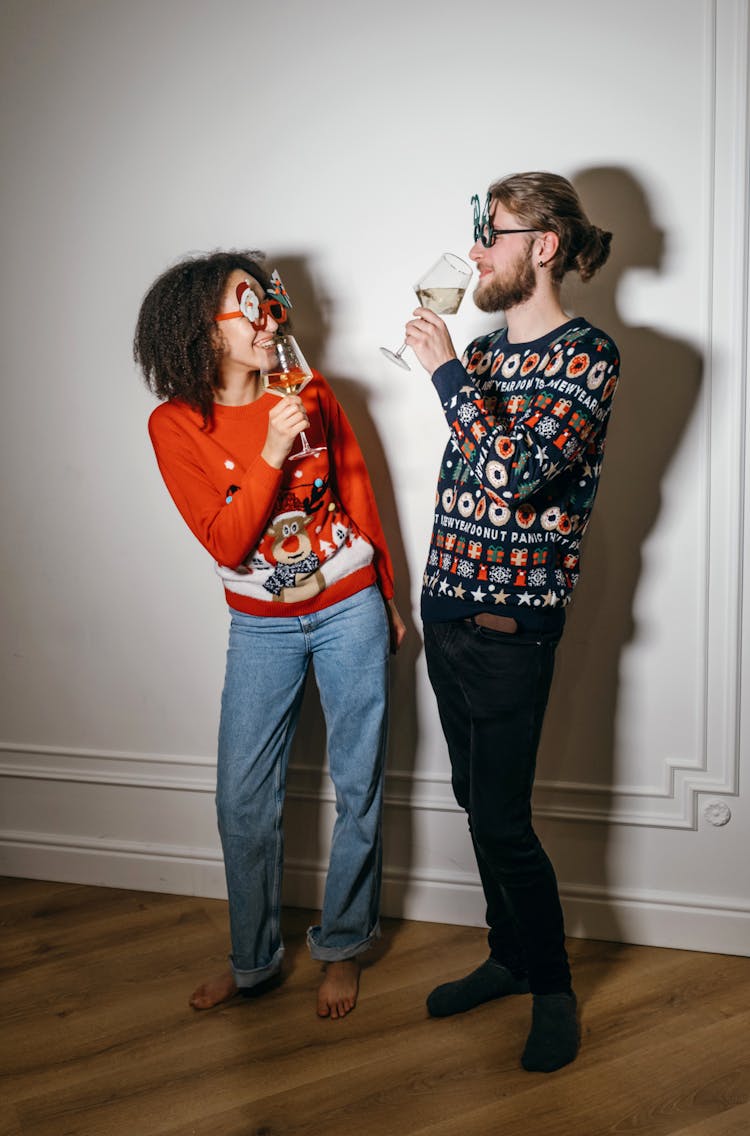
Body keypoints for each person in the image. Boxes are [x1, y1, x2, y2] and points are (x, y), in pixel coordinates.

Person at [134, 251, 405, 1019]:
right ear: (200, 330)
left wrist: (385, 590)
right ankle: (253, 962)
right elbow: (226, 540)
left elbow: (356, 491)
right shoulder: (175, 423)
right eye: (243, 308)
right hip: (261, 624)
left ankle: (343, 948)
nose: (265, 319)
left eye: (266, 303)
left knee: (360, 784)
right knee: (242, 801)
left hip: (349, 600)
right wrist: (272, 447)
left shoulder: (311, 390)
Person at [404, 172, 620, 1071]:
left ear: (546, 244)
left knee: (501, 819)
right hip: (446, 610)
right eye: (476, 230)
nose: (478, 247)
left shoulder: (588, 356)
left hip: (508, 625)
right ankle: (508, 956)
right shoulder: (488, 352)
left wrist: (444, 370)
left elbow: (517, 476)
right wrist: (457, 365)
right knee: (471, 803)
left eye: (492, 231)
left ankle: (554, 989)